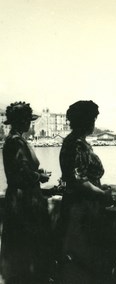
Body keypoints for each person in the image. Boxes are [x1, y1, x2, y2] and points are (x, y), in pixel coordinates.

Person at [57, 100, 116, 284]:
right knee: (83, 265)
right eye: (92, 119)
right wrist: (105, 195)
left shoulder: (73, 142)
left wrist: (108, 188)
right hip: (82, 211)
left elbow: (83, 179)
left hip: (77, 207)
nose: (94, 123)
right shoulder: (77, 145)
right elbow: (80, 182)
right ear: (84, 121)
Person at [0, 102, 54, 283]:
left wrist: (36, 175)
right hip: (24, 201)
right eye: (28, 121)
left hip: (20, 198)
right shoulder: (16, 142)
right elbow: (21, 173)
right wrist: (39, 177)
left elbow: (19, 169)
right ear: (22, 122)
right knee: (28, 247)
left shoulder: (15, 140)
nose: (30, 124)